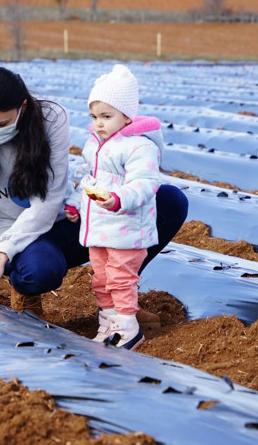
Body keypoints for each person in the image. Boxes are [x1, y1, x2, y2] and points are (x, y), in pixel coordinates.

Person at [0, 65, 188, 326]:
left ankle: (120, 300)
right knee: (40, 271)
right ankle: (27, 294)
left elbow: (47, 202)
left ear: (22, 107)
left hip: (64, 222)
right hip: (14, 235)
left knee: (169, 201)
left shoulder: (49, 119)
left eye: (1, 124)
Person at [64, 64, 161, 350]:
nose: (99, 123)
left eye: (106, 116)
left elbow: (144, 184)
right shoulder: (94, 144)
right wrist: (75, 205)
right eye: (94, 117)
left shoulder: (139, 146)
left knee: (121, 279)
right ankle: (108, 323)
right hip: (99, 229)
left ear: (127, 116)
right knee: (101, 279)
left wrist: (118, 199)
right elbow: (85, 178)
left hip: (126, 228)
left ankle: (128, 327)